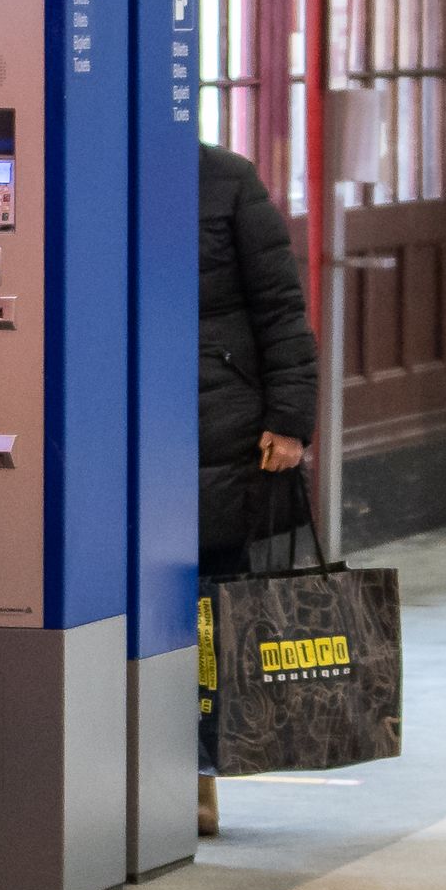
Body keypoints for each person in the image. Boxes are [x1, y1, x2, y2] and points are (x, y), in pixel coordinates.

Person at [194, 141, 320, 836]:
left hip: (221, 434)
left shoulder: (226, 179)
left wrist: (289, 419)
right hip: (117, 426)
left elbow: (280, 306)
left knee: (208, 611)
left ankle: (199, 775)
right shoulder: (86, 164)